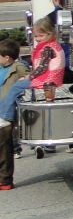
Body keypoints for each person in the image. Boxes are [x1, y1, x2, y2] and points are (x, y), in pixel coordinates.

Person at [0, 39, 29, 191]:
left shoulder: (18, 67)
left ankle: (5, 180)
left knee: (4, 148)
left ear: (7, 57)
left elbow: (30, 79)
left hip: (5, 114)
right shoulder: (1, 68)